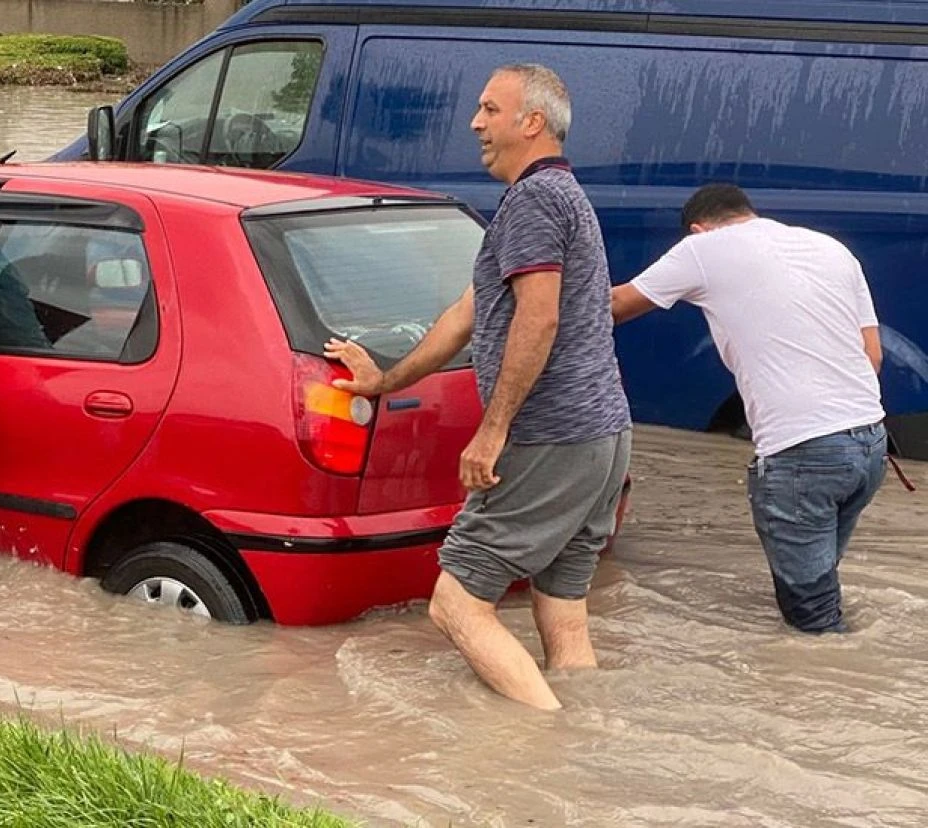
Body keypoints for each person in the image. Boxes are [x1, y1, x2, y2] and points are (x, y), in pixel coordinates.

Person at [327, 64, 632, 710]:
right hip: (602, 439)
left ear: (532, 123)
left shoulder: (534, 201)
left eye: (490, 110)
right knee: (563, 610)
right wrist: (383, 380)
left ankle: (539, 744)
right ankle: (588, 753)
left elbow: (539, 314)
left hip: (549, 438)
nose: (475, 123)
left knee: (455, 605)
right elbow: (463, 317)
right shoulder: (558, 198)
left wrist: (491, 431)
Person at [612, 183, 887, 634]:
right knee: (819, 586)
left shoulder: (703, 249)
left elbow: (616, 305)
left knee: (814, 626)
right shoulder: (831, 249)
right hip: (869, 445)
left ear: (699, 229)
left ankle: (825, 693)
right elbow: (871, 356)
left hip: (802, 452)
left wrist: (530, 311)